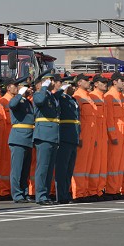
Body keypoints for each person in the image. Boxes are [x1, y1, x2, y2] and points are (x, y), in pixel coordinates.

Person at [32, 70, 60, 205]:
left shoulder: (51, 96)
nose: (52, 83)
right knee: (43, 166)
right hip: (43, 134)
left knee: (49, 168)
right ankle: (41, 195)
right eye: (50, 80)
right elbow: (39, 101)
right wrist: (43, 86)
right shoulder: (39, 94)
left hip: (53, 135)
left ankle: (46, 194)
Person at [7, 76, 35, 203]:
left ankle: (24, 192)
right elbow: (12, 105)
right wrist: (20, 93)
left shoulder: (27, 101)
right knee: (17, 169)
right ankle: (17, 194)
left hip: (28, 137)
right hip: (18, 137)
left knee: (25, 169)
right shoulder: (16, 99)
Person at [54, 76, 80, 204]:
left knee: (69, 169)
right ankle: (61, 195)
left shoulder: (73, 100)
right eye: (71, 86)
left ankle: (65, 193)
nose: (73, 88)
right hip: (64, 137)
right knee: (62, 168)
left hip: (73, 137)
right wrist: (60, 91)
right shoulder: (60, 99)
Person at [104, 72, 124, 199]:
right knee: (113, 163)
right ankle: (111, 190)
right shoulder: (109, 97)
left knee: (120, 164)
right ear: (114, 82)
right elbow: (109, 119)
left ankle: (117, 189)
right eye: (121, 80)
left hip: (122, 134)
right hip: (116, 135)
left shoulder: (121, 97)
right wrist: (113, 136)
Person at [71, 73, 94, 202]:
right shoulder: (78, 97)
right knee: (79, 167)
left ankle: (84, 192)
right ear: (79, 83)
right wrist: (78, 136)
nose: (88, 82)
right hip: (83, 135)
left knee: (86, 166)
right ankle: (77, 193)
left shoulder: (88, 97)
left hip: (90, 135)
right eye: (85, 80)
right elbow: (77, 119)